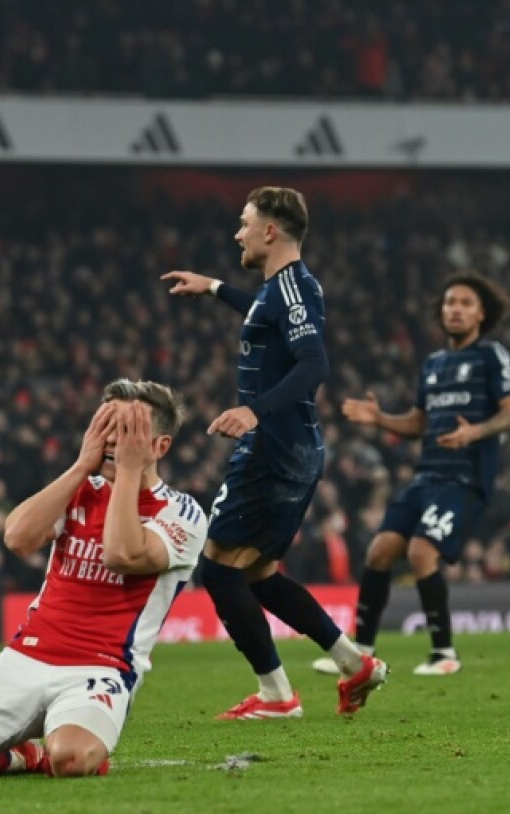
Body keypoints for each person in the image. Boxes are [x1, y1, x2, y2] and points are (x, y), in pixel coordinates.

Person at [0, 379, 206, 780]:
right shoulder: (80, 488)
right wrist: (82, 466)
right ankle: (22, 756)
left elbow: (120, 554)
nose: (115, 441)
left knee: (69, 760)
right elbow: (17, 537)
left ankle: (56, 745)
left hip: (102, 667)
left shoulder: (182, 514)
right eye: (108, 427)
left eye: (130, 431)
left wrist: (129, 473)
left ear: (160, 446)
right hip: (27, 655)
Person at [161, 186, 385, 720]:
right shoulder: (288, 287)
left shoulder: (292, 289)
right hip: (293, 447)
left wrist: (254, 411)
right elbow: (265, 312)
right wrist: (213, 287)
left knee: (217, 571)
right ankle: (354, 662)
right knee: (258, 574)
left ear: (270, 230)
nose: (237, 232)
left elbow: (313, 365)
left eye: (244, 223)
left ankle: (277, 696)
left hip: (275, 448)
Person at [312, 272, 510, 677]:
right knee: (378, 553)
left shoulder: (491, 355)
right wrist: (379, 419)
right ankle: (360, 654)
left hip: (464, 480)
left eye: (465, 303)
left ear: (481, 313)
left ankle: (444, 654)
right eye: (449, 303)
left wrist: (474, 432)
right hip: (426, 477)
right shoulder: (434, 364)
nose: (455, 309)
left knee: (421, 552)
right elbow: (418, 423)